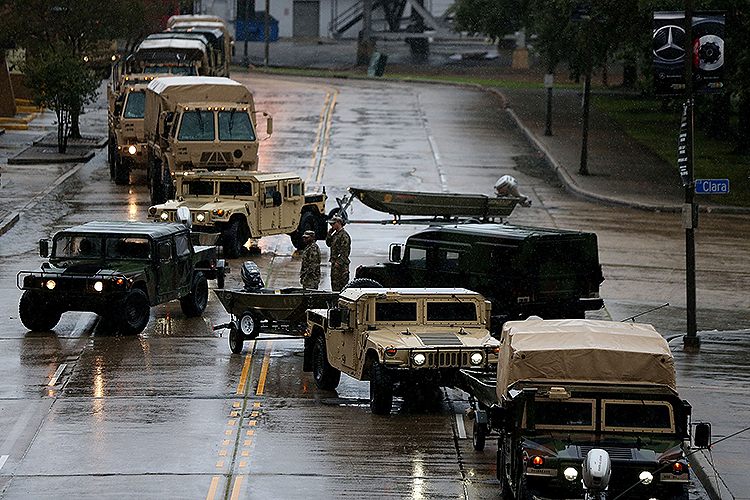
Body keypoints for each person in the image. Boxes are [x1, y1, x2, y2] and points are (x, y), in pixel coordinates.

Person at [325, 216, 351, 291]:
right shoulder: (335, 235)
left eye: (333, 224)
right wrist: (329, 235)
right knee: (334, 285)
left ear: (339, 223)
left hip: (341, 265)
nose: (332, 226)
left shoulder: (344, 235)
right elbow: (329, 244)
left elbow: (345, 251)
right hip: (334, 263)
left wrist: (339, 262)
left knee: (342, 286)